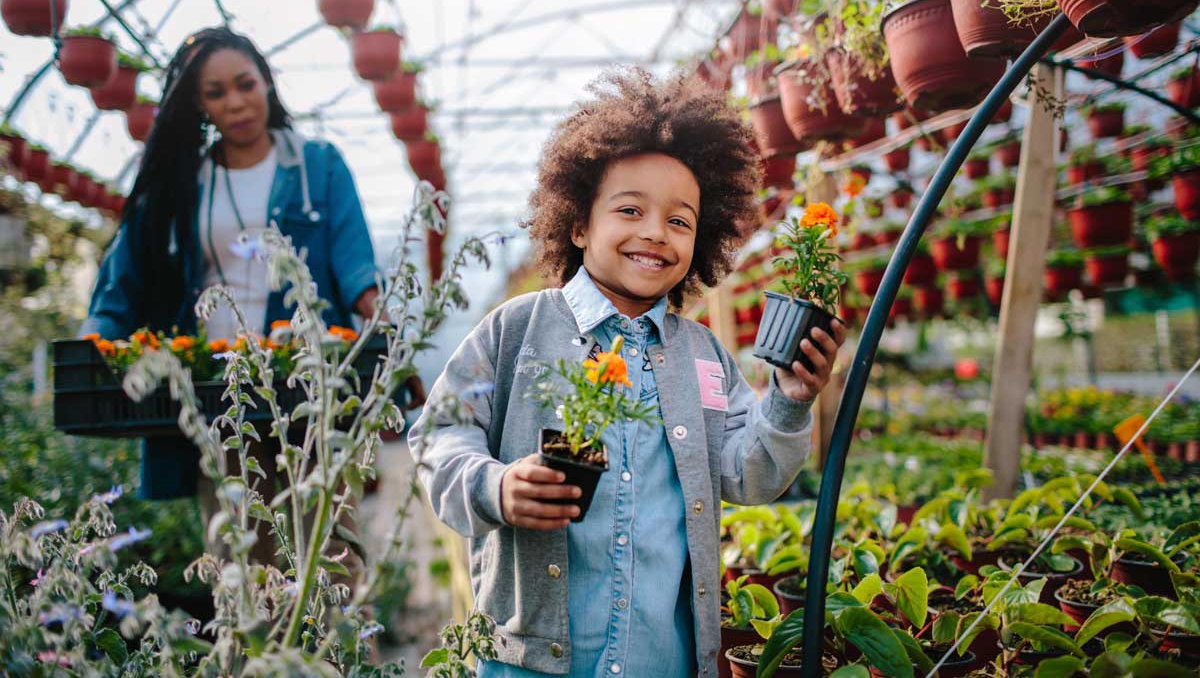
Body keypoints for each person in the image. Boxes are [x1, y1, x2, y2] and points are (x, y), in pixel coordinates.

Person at [410, 69, 846, 677]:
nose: (653, 232)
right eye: (630, 209)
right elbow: (438, 437)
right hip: (533, 661)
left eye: (679, 220)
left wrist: (789, 401)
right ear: (580, 224)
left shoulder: (703, 355)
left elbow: (750, 473)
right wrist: (496, 486)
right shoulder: (517, 330)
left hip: (660, 659)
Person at [81, 27, 385, 511]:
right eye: (216, 93)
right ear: (200, 106)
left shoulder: (315, 167)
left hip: (302, 382)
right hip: (216, 393)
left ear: (266, 80)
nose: (237, 103)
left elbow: (356, 268)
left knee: (326, 555)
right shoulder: (181, 184)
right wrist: (94, 341)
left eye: (246, 84)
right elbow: (123, 278)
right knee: (239, 558)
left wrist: (386, 333)